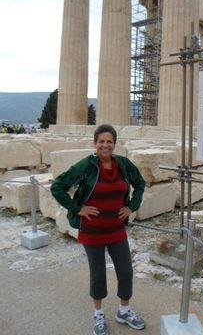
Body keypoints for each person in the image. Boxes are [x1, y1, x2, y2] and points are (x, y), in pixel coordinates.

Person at [51, 124, 146, 335]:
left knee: (125, 271)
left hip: (116, 228)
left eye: (109, 141)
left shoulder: (123, 164)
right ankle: (98, 313)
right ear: (95, 144)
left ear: (114, 144)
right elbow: (57, 186)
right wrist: (78, 208)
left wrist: (131, 206)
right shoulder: (86, 166)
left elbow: (140, 184)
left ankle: (124, 310)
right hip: (92, 230)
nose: (105, 145)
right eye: (101, 141)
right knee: (98, 274)